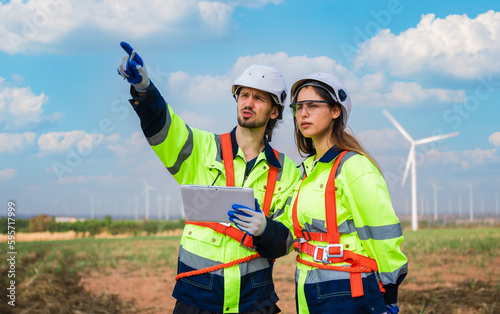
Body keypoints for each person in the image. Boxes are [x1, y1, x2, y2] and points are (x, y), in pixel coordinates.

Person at [116, 41, 301, 314]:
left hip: (254, 302)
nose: (248, 103)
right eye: (243, 95)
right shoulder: (202, 148)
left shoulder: (289, 172)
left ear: (274, 111)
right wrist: (144, 89)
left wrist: (265, 229)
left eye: (258, 98)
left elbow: (288, 240)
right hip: (197, 299)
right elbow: (164, 126)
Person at [233, 73, 408, 313]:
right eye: (298, 107)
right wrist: (265, 228)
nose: (303, 114)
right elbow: (288, 230)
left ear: (336, 111)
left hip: (349, 288)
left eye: (313, 106)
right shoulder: (303, 172)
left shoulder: (354, 166)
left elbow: (382, 232)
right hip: (307, 287)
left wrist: (389, 291)